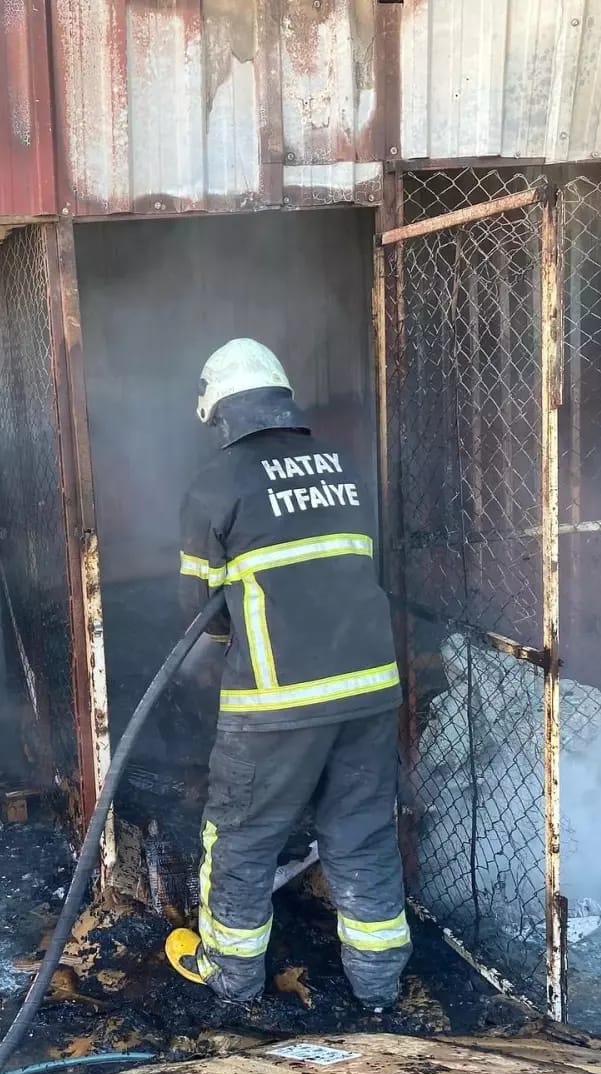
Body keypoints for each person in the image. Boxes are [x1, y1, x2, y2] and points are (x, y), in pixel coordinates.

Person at [166, 337, 410, 1010]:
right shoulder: (347, 467)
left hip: (276, 704)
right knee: (361, 833)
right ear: (282, 400)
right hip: (369, 691)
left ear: (220, 415)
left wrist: (228, 637)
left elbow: (200, 613)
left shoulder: (217, 483)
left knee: (241, 835)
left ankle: (231, 978)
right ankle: (380, 985)